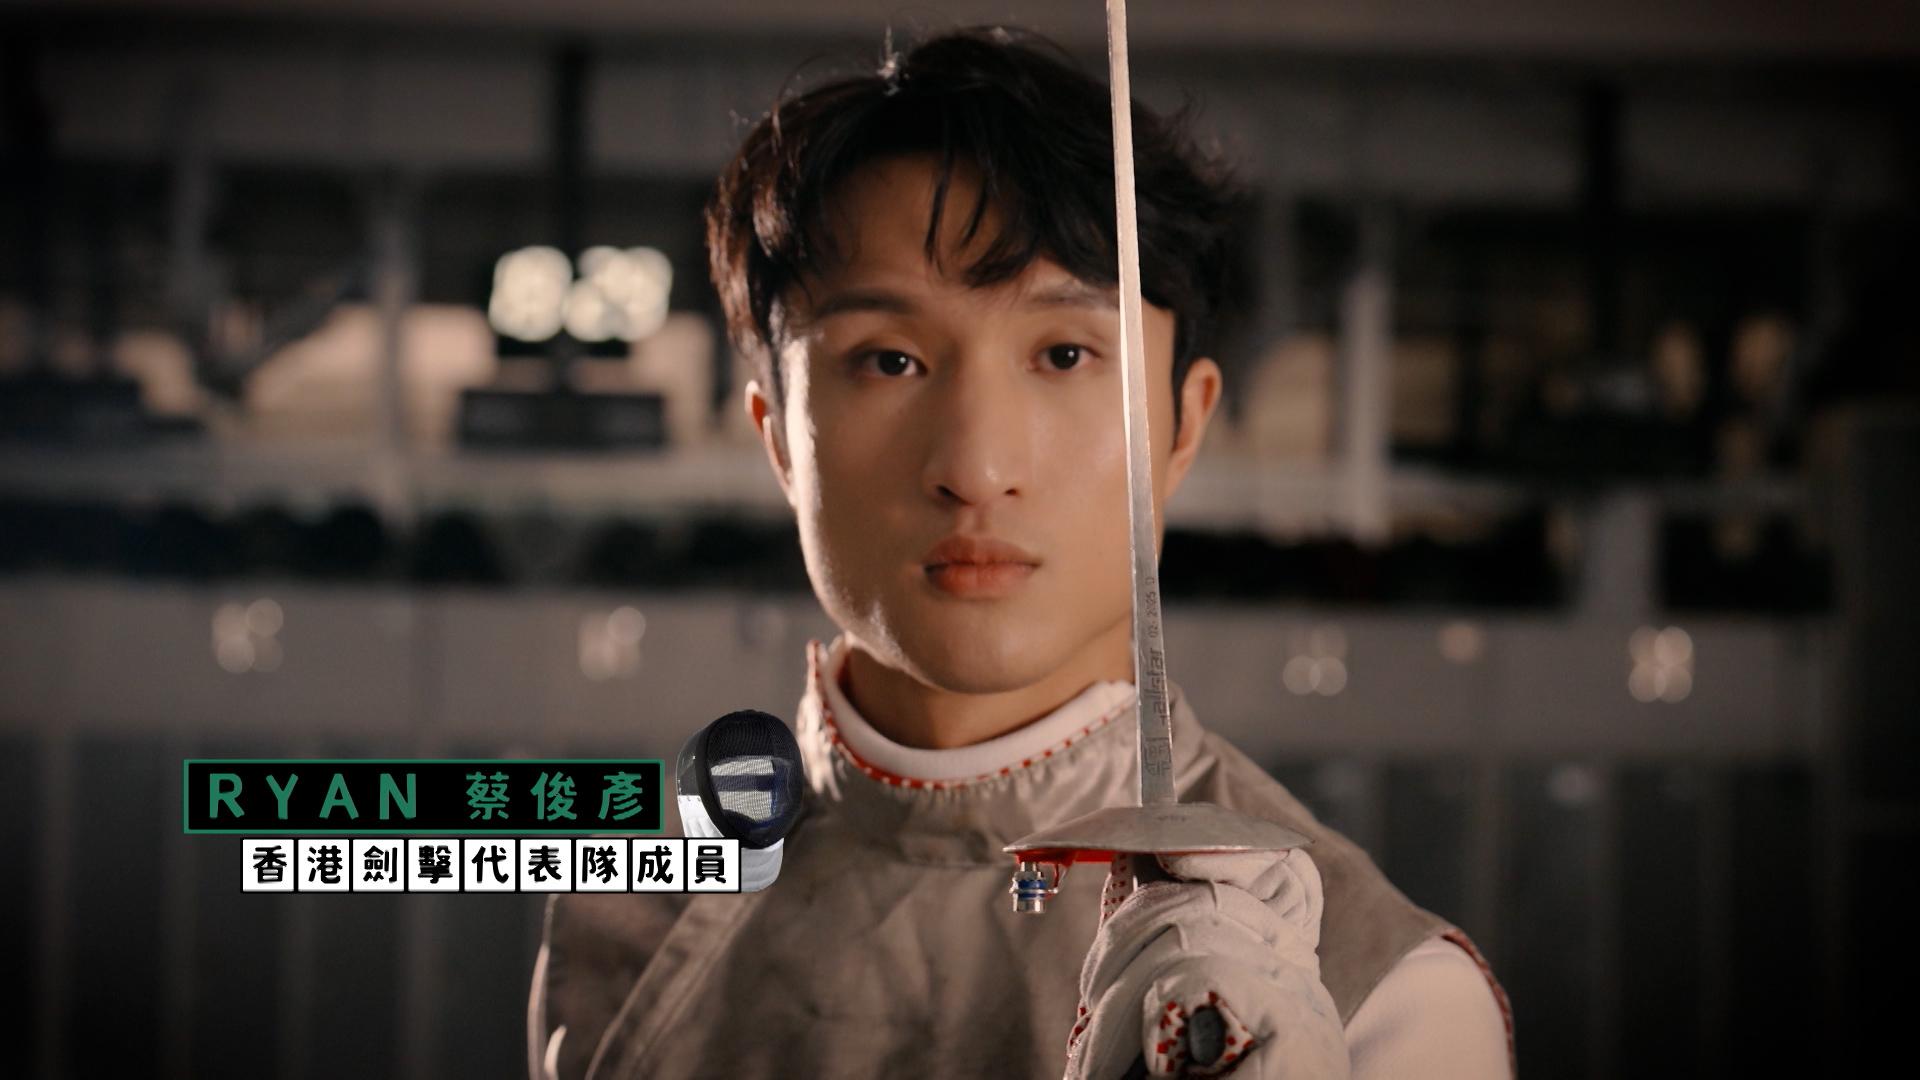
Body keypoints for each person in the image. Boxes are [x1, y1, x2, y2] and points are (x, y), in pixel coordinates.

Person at [529, 26, 1513, 1079]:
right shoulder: (635, 917)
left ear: (1182, 426)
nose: (976, 467)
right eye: (889, 360)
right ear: (777, 436)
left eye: (1065, 352)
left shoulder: (1377, 1000)